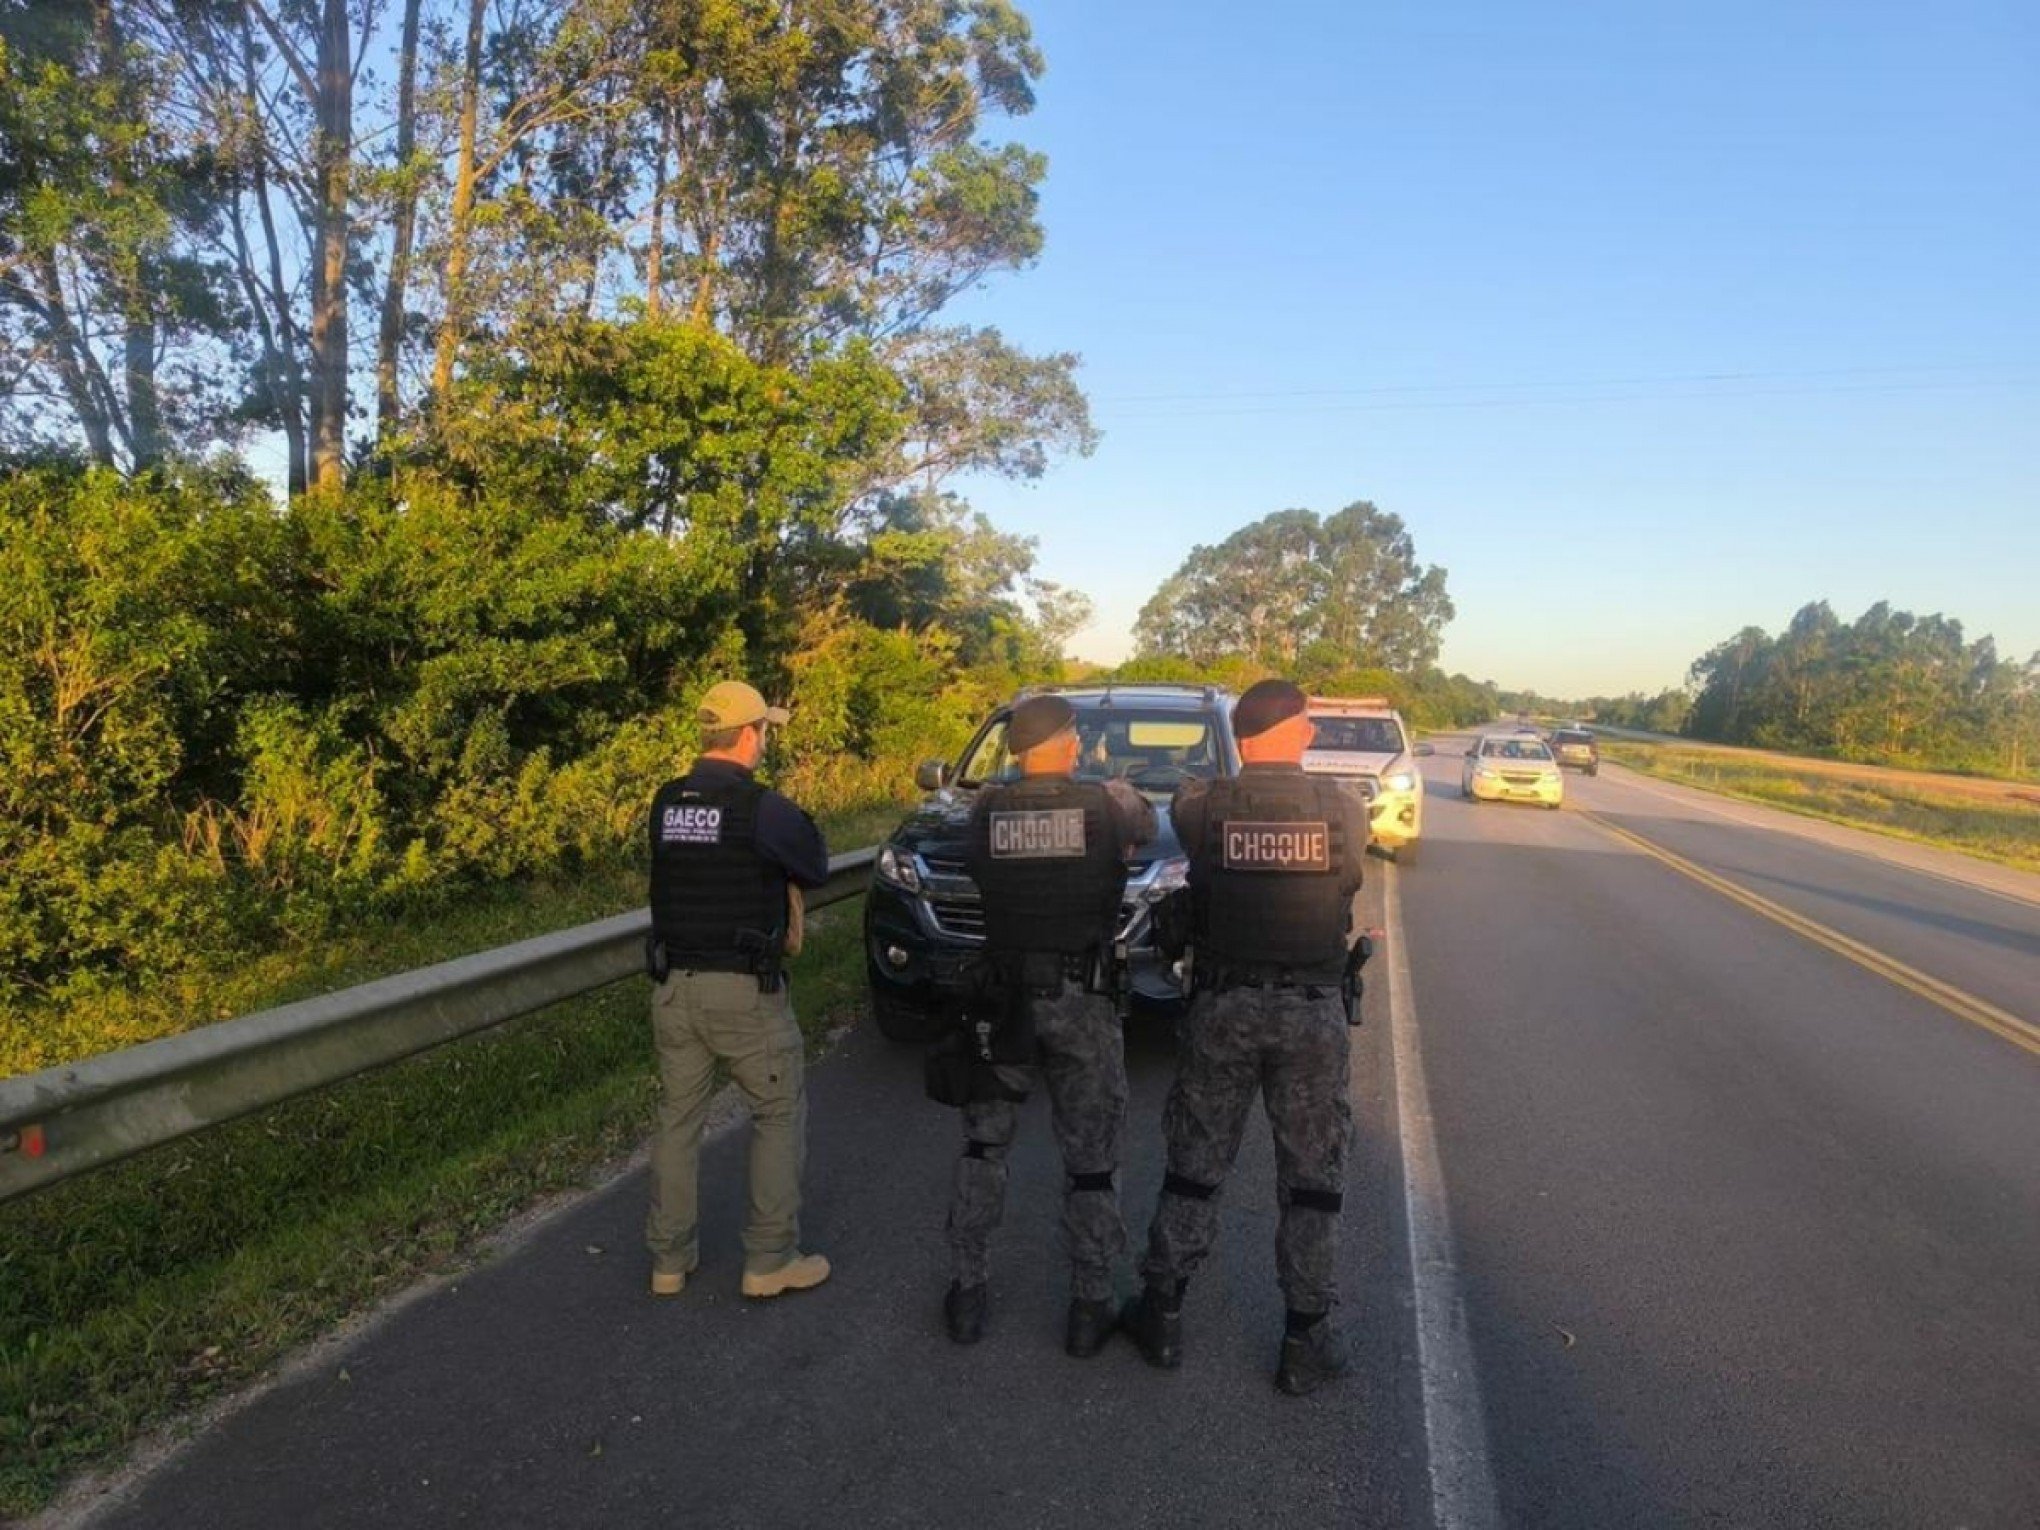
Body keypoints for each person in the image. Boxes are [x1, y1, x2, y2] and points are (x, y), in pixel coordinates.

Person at [1123, 678, 1370, 1394]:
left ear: (1241, 734)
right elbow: (1349, 876)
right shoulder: (1345, 811)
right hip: (1311, 1014)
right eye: (1310, 722)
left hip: (1223, 1009)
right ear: (1290, 727)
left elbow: (1180, 816)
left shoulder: (1202, 806)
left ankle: (1162, 1315)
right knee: (1314, 1181)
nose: (1317, 733)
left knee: (1195, 1166)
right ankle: (1305, 1339)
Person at [943, 694, 1157, 1355]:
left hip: (1003, 998)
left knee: (985, 1146)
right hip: (1082, 999)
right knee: (1091, 1158)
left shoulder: (986, 809)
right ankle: (1090, 1308)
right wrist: (1104, 780)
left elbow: (972, 850)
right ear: (1067, 743)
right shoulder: (1109, 802)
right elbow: (1146, 828)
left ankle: (969, 1295)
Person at [644, 679, 832, 1301]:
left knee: (678, 1123)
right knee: (778, 1114)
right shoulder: (762, 809)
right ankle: (770, 1259)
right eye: (764, 733)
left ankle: (669, 1261)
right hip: (743, 993)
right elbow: (815, 864)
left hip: (674, 989)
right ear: (750, 735)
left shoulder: (666, 802)